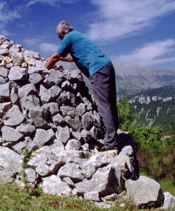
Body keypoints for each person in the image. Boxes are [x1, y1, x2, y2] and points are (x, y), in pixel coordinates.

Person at [45, 21, 119, 154]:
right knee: (110, 103)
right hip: (107, 67)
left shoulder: (69, 37)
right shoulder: (78, 36)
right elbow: (74, 58)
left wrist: (44, 68)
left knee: (104, 106)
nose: (60, 39)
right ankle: (114, 138)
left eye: (59, 36)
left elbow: (55, 56)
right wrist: (62, 59)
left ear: (63, 32)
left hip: (97, 70)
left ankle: (111, 145)